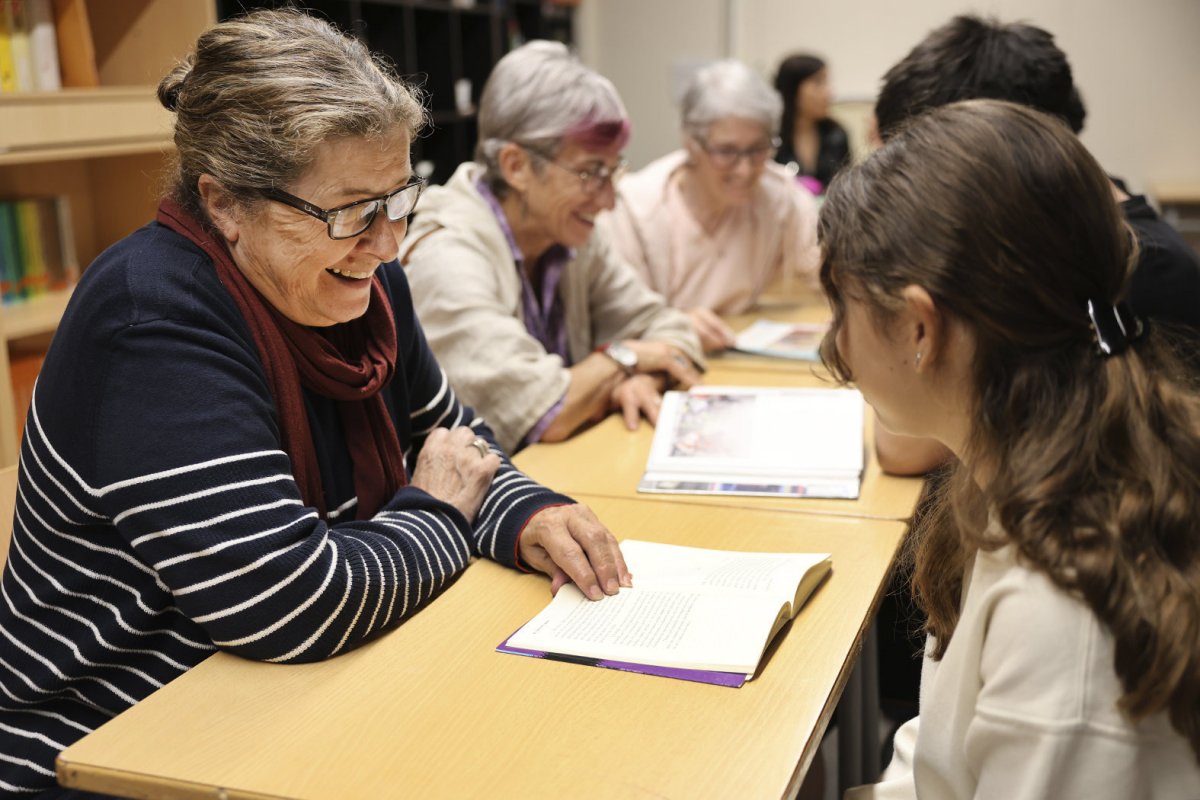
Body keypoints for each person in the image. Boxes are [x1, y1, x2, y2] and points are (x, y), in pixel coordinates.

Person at [0, 11, 631, 797]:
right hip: (118, 745)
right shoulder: (151, 319)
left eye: (398, 200)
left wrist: (529, 515)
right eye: (352, 212)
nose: (388, 244)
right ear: (225, 204)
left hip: (289, 700)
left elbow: (454, 444)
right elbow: (290, 600)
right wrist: (441, 516)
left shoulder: (363, 279)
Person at [826, 99, 1200, 800]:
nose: (835, 343)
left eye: (842, 305)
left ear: (919, 328)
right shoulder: (1039, 459)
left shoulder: (1062, 618)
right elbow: (952, 749)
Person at [870, 14, 1200, 476]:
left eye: (926, 168)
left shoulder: (1137, 267)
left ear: (998, 144)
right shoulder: (1068, 230)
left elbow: (903, 449)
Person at [400, 41, 703, 454]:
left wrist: (642, 379)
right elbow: (543, 410)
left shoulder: (571, 235)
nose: (609, 200)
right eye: (591, 173)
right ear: (516, 166)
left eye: (613, 170)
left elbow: (672, 331)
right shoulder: (445, 256)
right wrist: (625, 357)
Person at [605, 59, 820, 353]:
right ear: (690, 142)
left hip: (735, 355)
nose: (745, 170)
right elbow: (616, 321)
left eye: (758, 149)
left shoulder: (779, 197)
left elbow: (831, 272)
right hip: (662, 359)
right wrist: (670, 326)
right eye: (726, 151)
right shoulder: (634, 208)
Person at [772, 53, 851, 194]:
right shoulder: (771, 138)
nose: (829, 93)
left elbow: (846, 187)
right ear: (792, 89)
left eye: (826, 83)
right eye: (818, 83)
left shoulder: (836, 135)